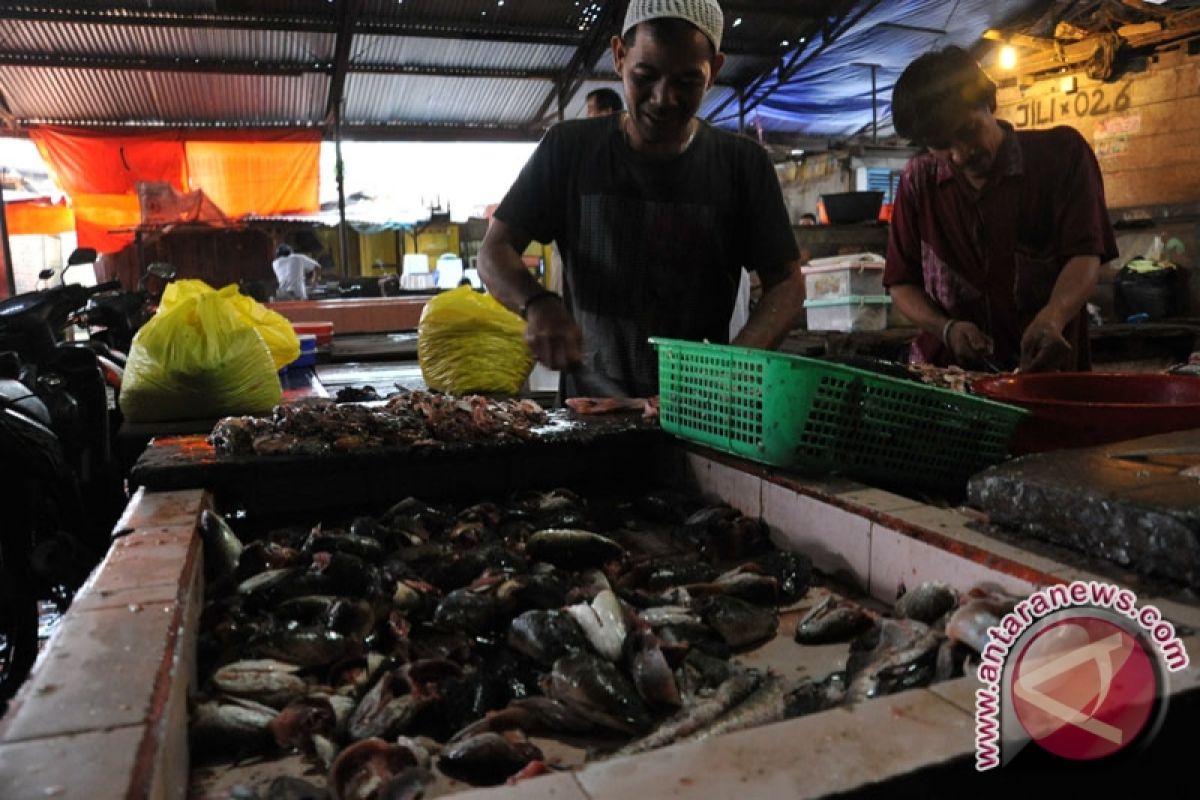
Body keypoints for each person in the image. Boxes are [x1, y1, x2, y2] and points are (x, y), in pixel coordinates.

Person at [479, 0, 805, 399]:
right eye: (644, 76)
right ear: (619, 56)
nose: (663, 99)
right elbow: (495, 250)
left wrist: (733, 367)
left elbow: (786, 283)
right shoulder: (569, 150)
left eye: (687, 81)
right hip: (591, 411)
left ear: (714, 69)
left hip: (702, 412)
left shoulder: (742, 165)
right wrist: (537, 303)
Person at [883, 45, 1118, 373]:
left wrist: (1053, 316)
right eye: (941, 146)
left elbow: (1085, 255)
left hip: (1047, 377)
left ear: (989, 102)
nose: (960, 156)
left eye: (968, 132)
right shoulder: (917, 183)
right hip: (952, 383)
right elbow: (900, 284)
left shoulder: (1061, 156)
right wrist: (946, 329)